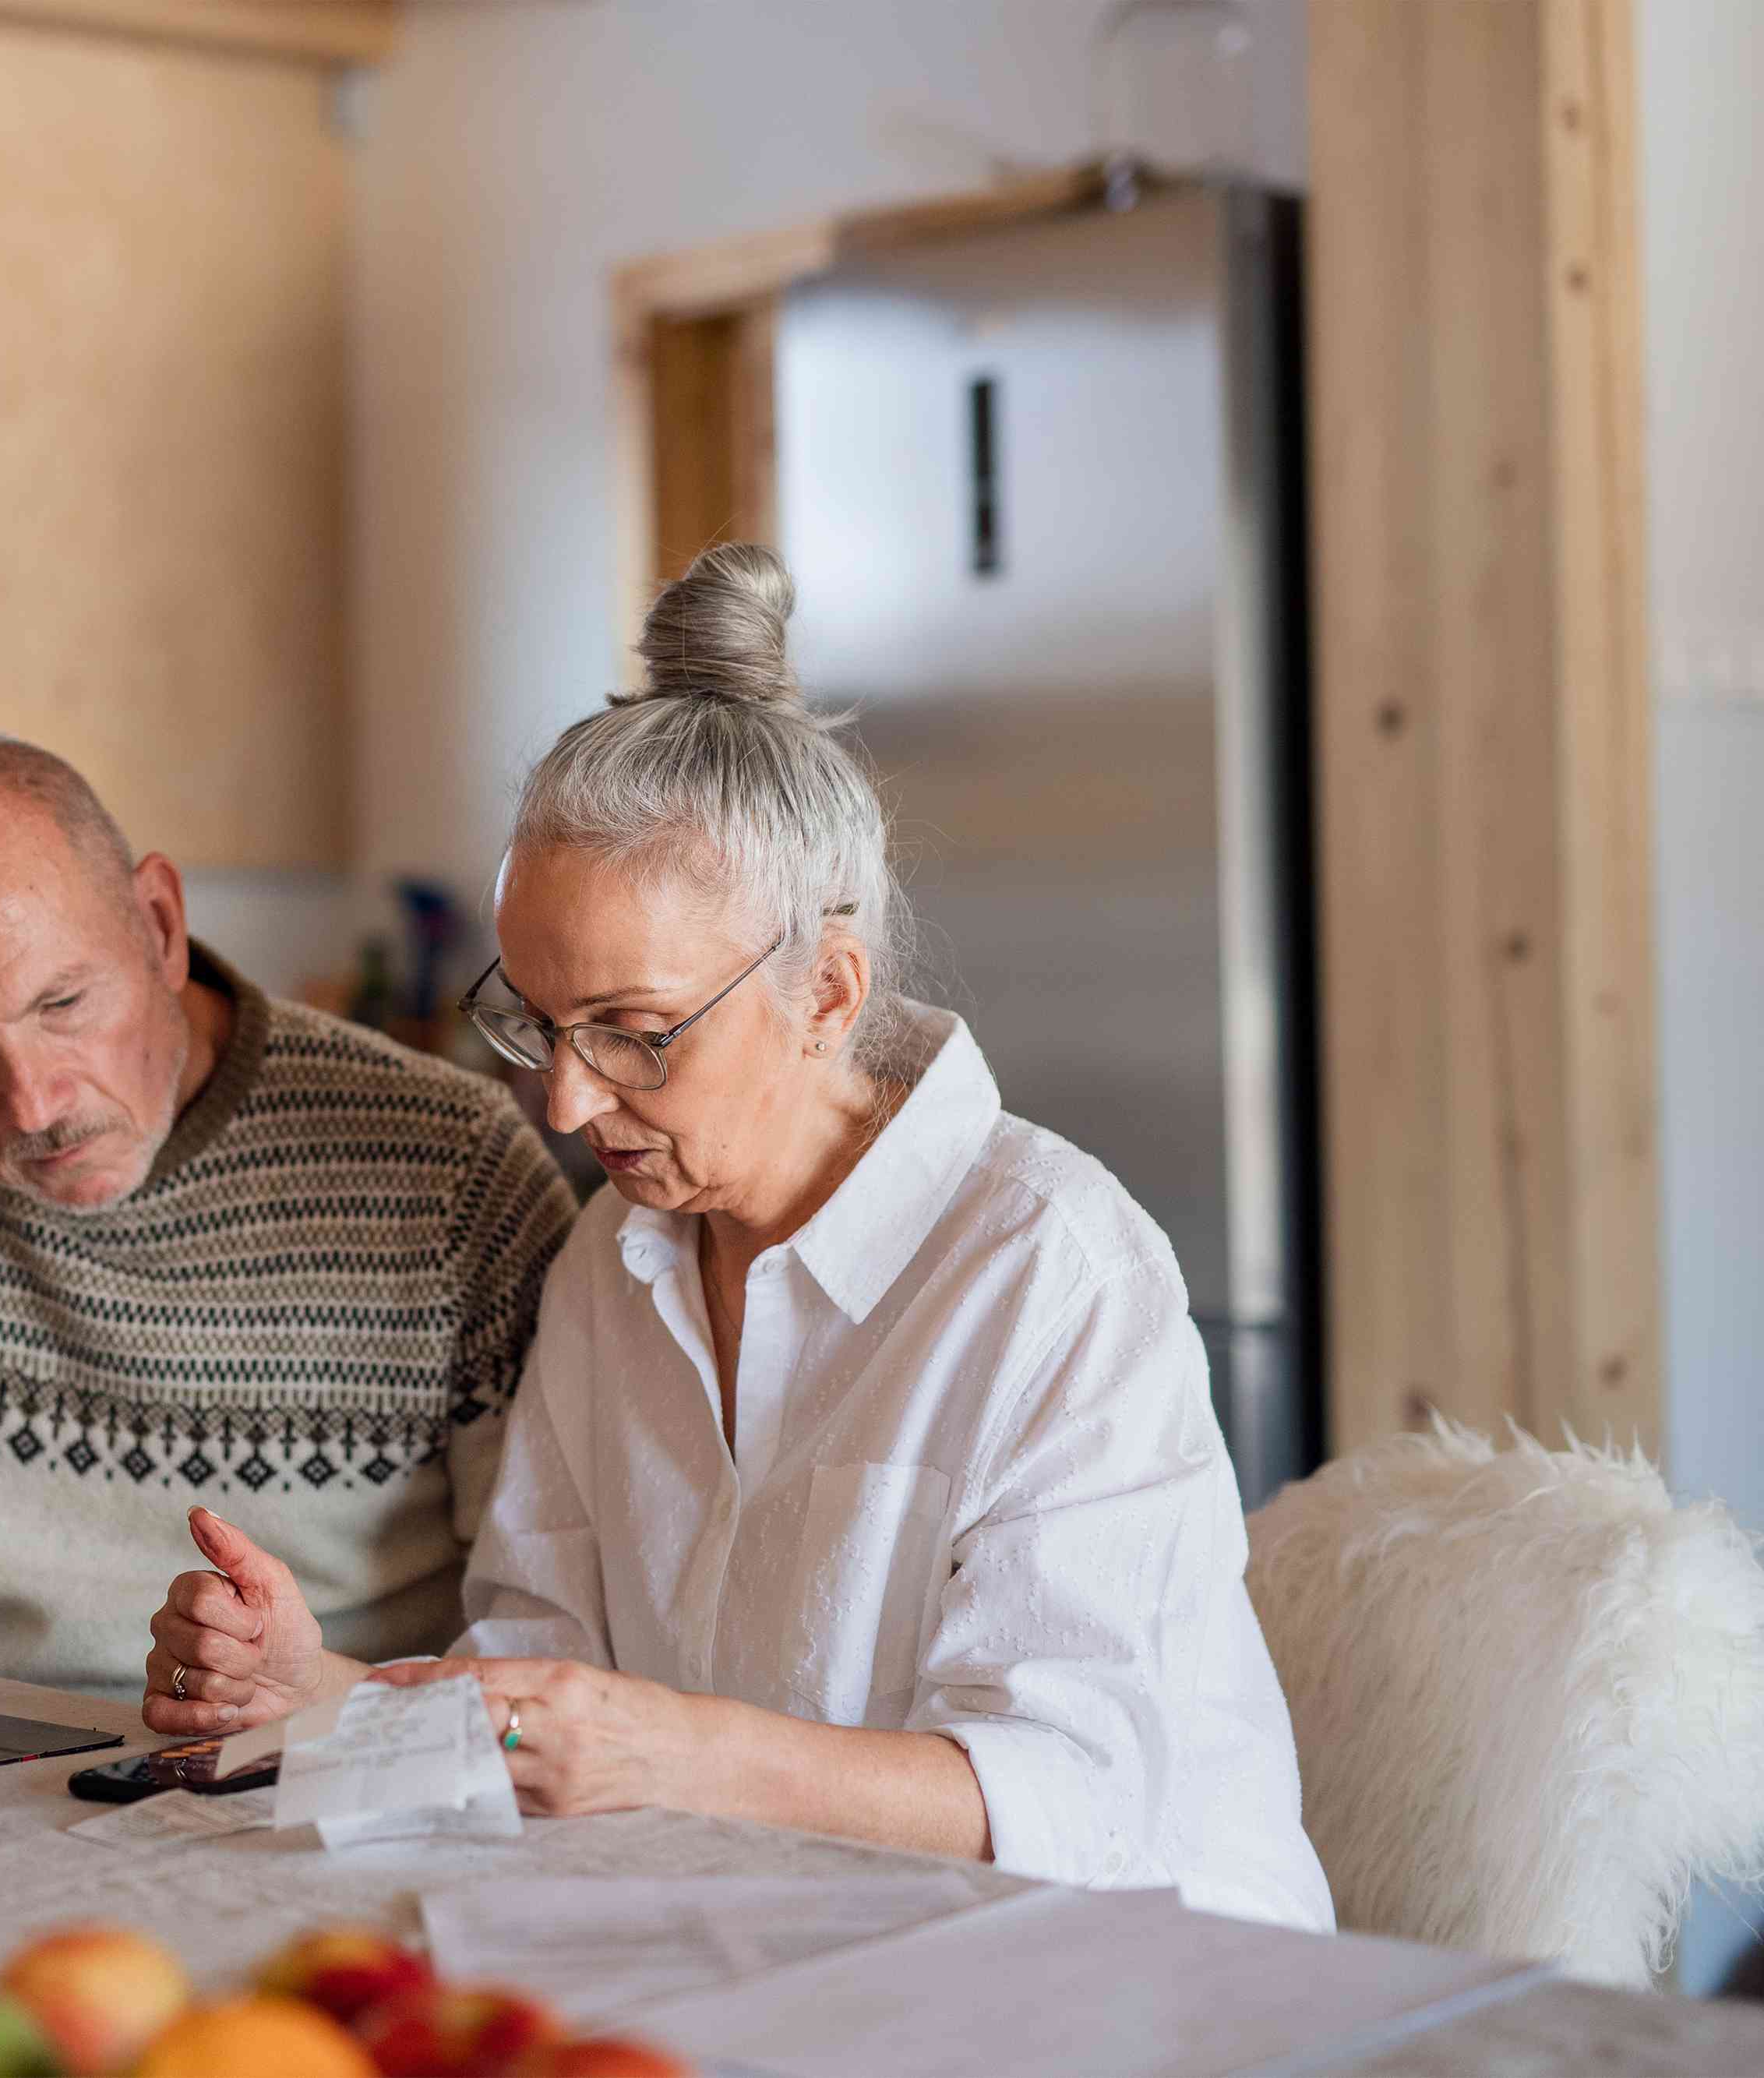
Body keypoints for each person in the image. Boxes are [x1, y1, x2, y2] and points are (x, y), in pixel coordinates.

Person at [139, 545, 1334, 1930]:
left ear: (825, 991)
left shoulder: (1052, 1271)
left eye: (636, 1035)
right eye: (535, 1020)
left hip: (1137, 1988)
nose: (571, 1100)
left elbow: (1079, 1797)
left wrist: (676, 1752)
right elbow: (543, 1698)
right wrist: (321, 1698)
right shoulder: (616, 1261)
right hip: (778, 1943)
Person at [0, 736, 577, 1694]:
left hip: (326, 1773)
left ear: (160, 925)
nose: (35, 1107)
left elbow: (556, 1640)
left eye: (63, 1003)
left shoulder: (451, 1161)